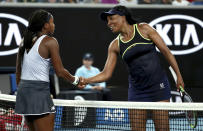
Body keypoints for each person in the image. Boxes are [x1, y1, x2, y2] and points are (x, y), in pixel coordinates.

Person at [80, 5, 184, 131]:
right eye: (107, 21)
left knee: (162, 129)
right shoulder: (115, 45)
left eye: (111, 18)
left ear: (123, 17)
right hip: (137, 91)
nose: (109, 23)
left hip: (158, 86)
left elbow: (166, 51)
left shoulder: (144, 29)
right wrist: (86, 80)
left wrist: (179, 76)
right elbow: (106, 74)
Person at [15, 10, 83, 131]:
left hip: (23, 93)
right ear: (46, 25)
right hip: (38, 92)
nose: (54, 25)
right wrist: (76, 81)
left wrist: (28, 93)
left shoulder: (23, 42)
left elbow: (18, 73)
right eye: (52, 22)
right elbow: (60, 71)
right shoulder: (50, 42)